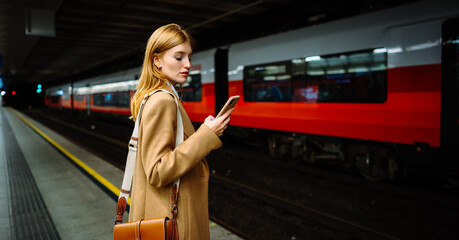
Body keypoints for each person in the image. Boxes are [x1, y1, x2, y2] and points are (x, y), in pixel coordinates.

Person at [129, 23, 232, 240]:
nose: (187, 64)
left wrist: (207, 131)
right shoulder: (162, 101)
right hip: (172, 218)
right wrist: (206, 135)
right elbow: (158, 171)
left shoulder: (157, 96)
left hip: (163, 211)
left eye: (189, 57)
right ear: (156, 60)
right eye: (179, 57)